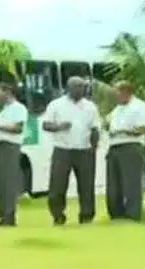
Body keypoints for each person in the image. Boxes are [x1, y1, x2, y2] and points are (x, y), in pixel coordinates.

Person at [42, 76, 101, 225]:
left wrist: (94, 147)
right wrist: (59, 126)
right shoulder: (56, 105)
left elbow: (95, 128)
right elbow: (46, 125)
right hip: (63, 149)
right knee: (58, 185)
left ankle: (86, 216)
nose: (81, 90)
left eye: (83, 87)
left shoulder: (90, 106)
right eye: (77, 87)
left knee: (86, 186)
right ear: (68, 88)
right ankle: (58, 215)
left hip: (84, 150)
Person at [104, 81, 145, 221]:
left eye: (117, 93)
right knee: (113, 184)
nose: (115, 96)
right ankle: (116, 214)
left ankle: (132, 214)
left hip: (131, 146)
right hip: (114, 147)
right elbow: (108, 124)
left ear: (126, 92)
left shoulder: (140, 107)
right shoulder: (117, 109)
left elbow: (142, 128)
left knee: (131, 183)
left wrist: (123, 131)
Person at [0, 81, 27, 227]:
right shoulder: (2, 110)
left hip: (10, 146)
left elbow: (18, 128)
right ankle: (3, 215)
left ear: (8, 92)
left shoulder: (19, 108)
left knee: (8, 182)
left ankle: (9, 216)